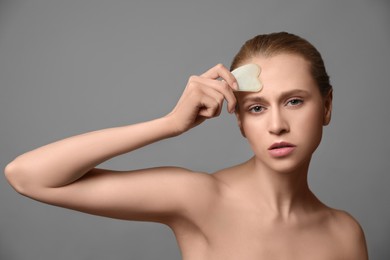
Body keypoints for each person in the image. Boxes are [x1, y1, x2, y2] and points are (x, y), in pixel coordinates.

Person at [5, 32, 368, 259]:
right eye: (256, 108)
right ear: (240, 121)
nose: (276, 125)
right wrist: (169, 124)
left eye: (294, 101)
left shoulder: (344, 234)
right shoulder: (200, 198)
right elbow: (27, 176)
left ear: (327, 106)